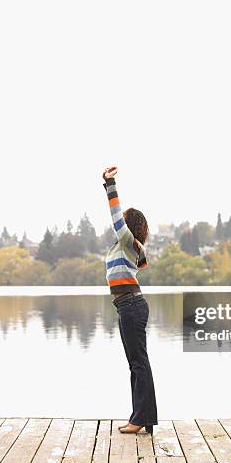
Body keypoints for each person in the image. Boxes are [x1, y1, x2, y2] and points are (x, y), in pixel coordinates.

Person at [102, 166, 158, 434]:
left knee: (138, 362)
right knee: (136, 363)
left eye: (124, 222)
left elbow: (115, 217)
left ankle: (141, 418)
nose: (119, 225)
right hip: (128, 306)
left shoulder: (126, 241)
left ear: (129, 225)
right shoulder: (128, 246)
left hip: (132, 306)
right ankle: (141, 417)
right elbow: (142, 263)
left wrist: (109, 184)